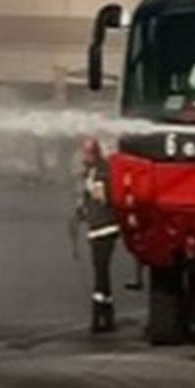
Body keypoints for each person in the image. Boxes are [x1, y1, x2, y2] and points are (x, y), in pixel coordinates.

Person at [77, 138, 118, 333]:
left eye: (86, 153)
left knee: (101, 271)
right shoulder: (90, 173)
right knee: (101, 271)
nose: (83, 157)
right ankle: (105, 314)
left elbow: (101, 198)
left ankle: (101, 315)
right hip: (96, 227)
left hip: (105, 227)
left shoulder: (101, 173)